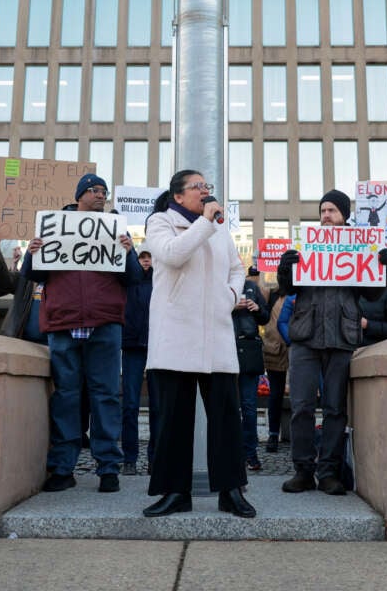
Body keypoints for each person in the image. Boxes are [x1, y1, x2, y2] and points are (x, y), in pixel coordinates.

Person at [142, 170, 253, 518]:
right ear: (178, 196)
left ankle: (231, 491)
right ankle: (175, 492)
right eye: (198, 187)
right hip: (176, 335)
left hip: (216, 333)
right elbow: (173, 255)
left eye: (208, 187)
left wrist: (230, 294)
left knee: (225, 418)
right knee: (174, 419)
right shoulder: (161, 222)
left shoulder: (220, 230)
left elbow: (237, 268)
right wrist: (205, 223)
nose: (206, 192)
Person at [24, 174, 140, 494]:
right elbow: (32, 274)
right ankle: (63, 468)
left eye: (104, 191)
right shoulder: (52, 228)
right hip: (64, 324)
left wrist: (129, 252)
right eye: (94, 190)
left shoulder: (116, 229)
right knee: (66, 397)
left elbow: (134, 278)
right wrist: (32, 252)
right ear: (79, 196)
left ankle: (108, 468)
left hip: (104, 324)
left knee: (105, 396)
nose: (101, 195)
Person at [278, 190, 376, 496]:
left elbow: (372, 294)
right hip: (306, 337)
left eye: (331, 210)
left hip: (341, 337)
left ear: (344, 215)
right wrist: (286, 267)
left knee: (335, 409)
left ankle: (329, 472)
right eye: (322, 210)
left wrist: (383, 268)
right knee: (301, 407)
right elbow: (288, 287)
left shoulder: (360, 248)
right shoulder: (308, 246)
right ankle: (303, 471)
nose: (325, 216)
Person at [121, 248, 154, 476]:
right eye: (141, 257)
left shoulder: (161, 280)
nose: (145, 261)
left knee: (158, 407)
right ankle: (129, 458)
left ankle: (156, 459)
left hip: (156, 347)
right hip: (132, 345)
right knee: (130, 405)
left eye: (148, 257)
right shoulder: (127, 280)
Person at [234, 266, 270, 472]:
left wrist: (257, 308)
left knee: (248, 406)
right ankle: (230, 452)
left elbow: (265, 318)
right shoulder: (219, 284)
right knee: (227, 406)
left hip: (248, 350)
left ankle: (250, 453)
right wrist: (230, 306)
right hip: (226, 348)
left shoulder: (251, 287)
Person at [262, 293, 292, 453]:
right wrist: (255, 272)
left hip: (297, 350)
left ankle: (301, 435)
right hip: (275, 351)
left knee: (301, 395)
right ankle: (273, 434)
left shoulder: (304, 292)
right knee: (275, 394)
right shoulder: (273, 295)